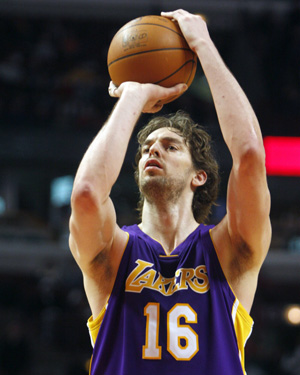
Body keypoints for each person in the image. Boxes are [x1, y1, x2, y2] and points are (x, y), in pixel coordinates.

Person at [69, 9, 271, 375]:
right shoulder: (114, 254)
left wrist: (202, 44)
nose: (153, 150)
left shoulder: (228, 252)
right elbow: (86, 192)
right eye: (146, 147)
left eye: (170, 146)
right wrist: (133, 97)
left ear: (200, 176)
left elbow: (251, 155)